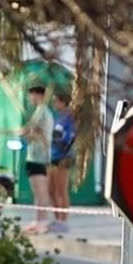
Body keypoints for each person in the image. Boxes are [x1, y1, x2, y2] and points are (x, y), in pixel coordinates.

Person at [22, 84, 56, 233]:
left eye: (32, 94)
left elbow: (39, 133)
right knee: (37, 193)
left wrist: (29, 134)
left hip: (40, 158)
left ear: (39, 95)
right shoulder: (38, 111)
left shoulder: (43, 112)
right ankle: (37, 221)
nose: (30, 98)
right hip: (33, 156)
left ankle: (43, 222)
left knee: (42, 193)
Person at [46, 102, 78, 234]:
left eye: (57, 101)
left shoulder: (70, 119)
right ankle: (57, 218)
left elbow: (71, 138)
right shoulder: (57, 117)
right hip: (52, 155)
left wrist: (65, 152)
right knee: (52, 190)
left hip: (63, 157)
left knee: (61, 189)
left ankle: (64, 220)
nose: (55, 105)